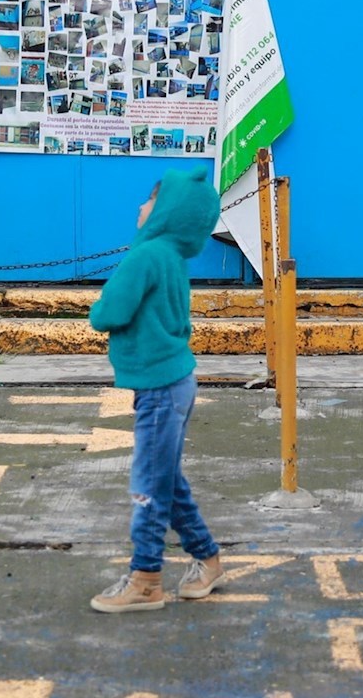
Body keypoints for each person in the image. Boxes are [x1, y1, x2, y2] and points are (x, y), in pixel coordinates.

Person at [87, 168, 227, 613]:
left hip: (159, 387)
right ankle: (207, 558)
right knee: (165, 477)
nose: (140, 208)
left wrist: (99, 307)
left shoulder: (145, 255)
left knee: (149, 481)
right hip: (173, 382)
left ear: (167, 211)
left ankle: (146, 578)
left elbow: (110, 312)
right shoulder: (170, 257)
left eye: (148, 201)